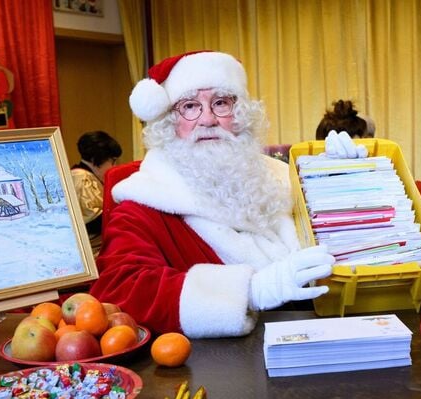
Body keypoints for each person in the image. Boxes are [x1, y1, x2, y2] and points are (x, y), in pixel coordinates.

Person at [90, 50, 365, 338]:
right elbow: (119, 290)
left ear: (241, 115)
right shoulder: (142, 202)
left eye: (221, 103)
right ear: (170, 122)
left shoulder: (283, 177)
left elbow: (350, 247)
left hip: (320, 340)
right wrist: (249, 292)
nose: (207, 119)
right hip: (222, 369)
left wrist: (342, 180)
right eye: (190, 106)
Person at [71, 130, 123, 256]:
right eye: (112, 161)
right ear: (96, 159)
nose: (114, 166)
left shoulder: (80, 175)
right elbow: (93, 223)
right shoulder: (83, 178)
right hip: (92, 252)